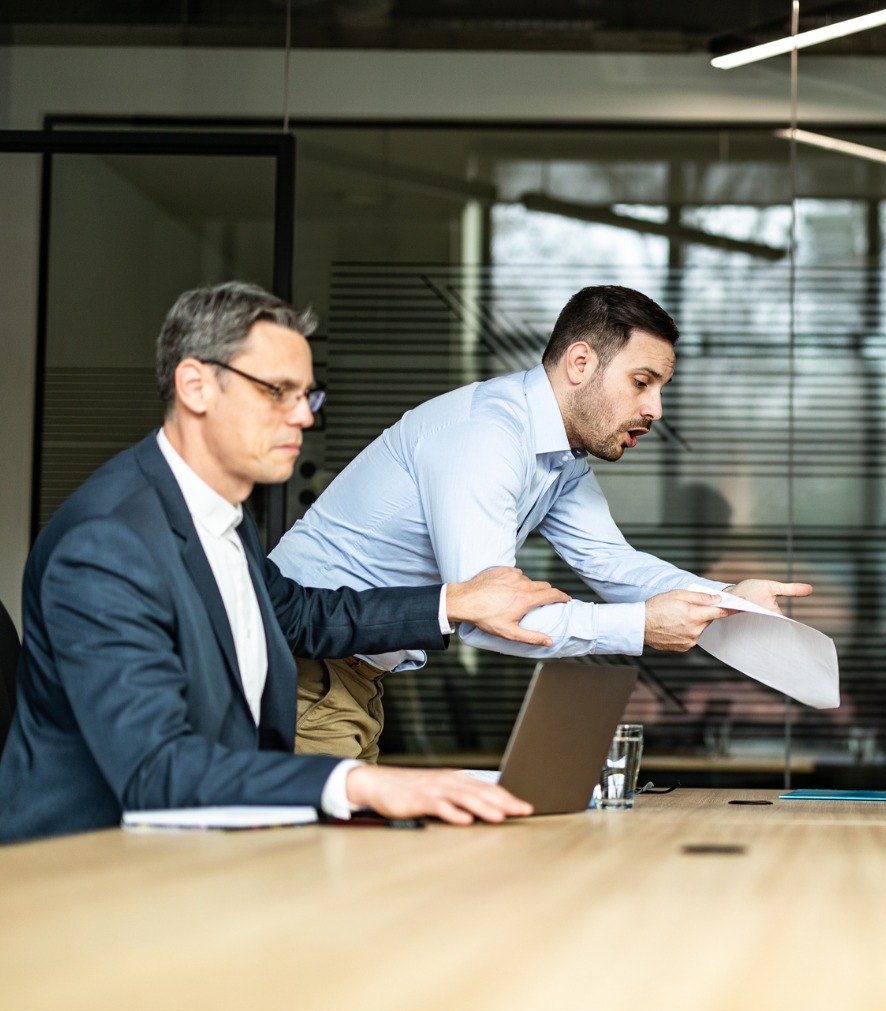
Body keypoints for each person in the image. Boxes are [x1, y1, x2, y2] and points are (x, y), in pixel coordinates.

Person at [0, 282, 569, 842]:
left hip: (209, 846)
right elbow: (156, 769)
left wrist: (452, 602)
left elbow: (298, 615)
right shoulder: (106, 542)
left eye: (307, 395)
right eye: (278, 391)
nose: (303, 416)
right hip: (86, 873)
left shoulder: (223, 515)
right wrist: (355, 783)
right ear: (196, 386)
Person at [271, 285, 810, 760]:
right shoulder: (487, 437)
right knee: (318, 862)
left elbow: (609, 562)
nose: (656, 409)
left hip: (350, 674)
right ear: (580, 363)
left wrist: (728, 597)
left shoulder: (559, 456)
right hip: (308, 662)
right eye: (642, 382)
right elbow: (493, 619)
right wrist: (640, 626)